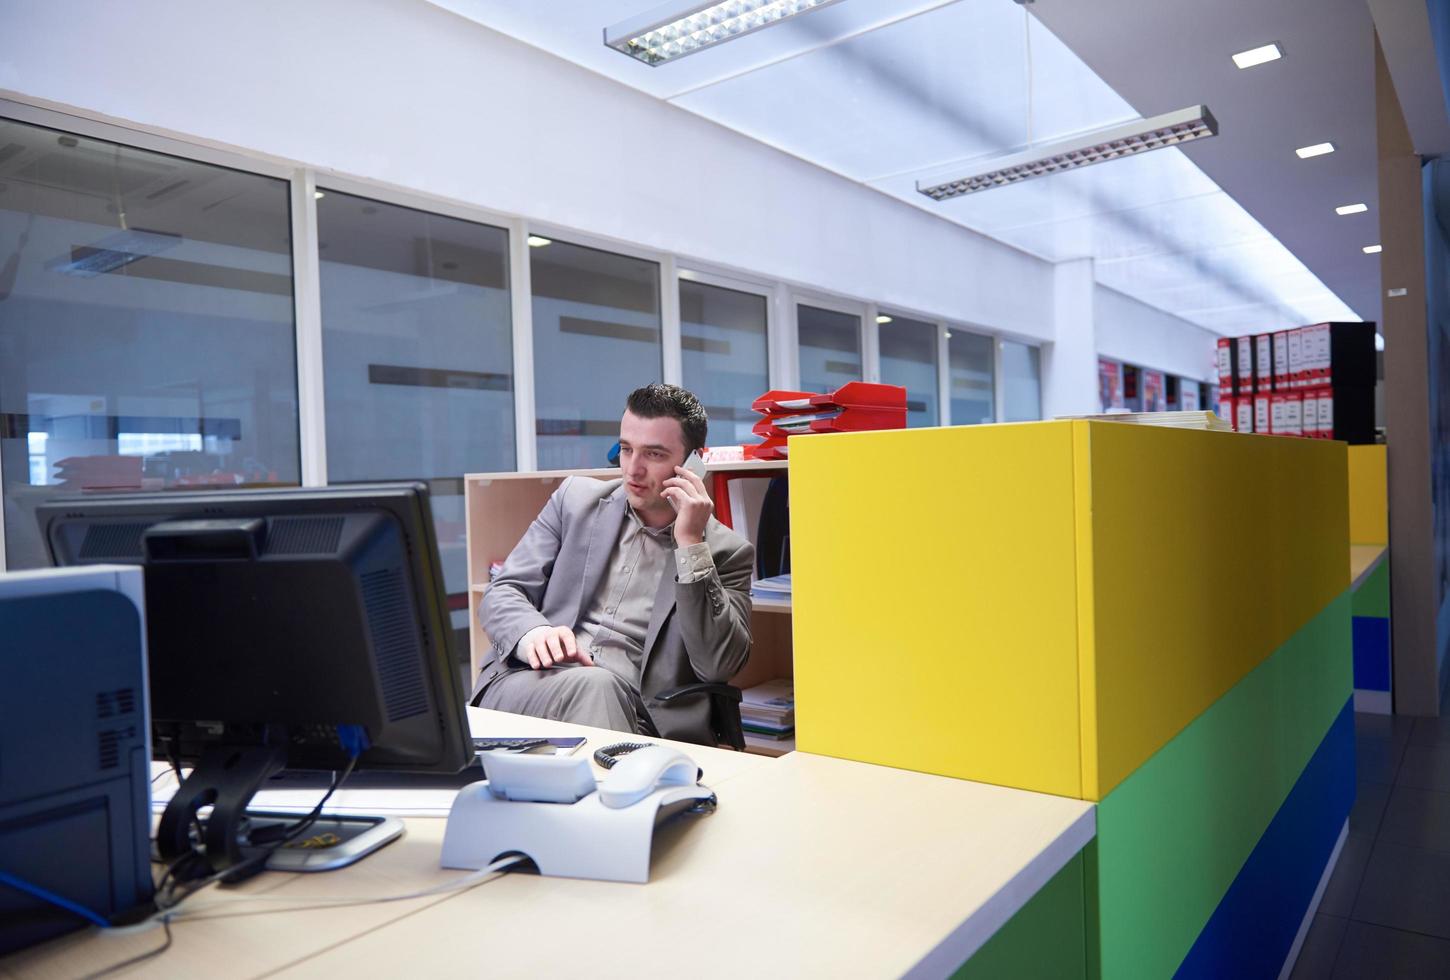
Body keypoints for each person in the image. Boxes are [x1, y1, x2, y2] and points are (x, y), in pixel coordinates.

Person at [472, 384, 754, 744]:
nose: (633, 469)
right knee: (595, 687)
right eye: (625, 449)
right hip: (533, 683)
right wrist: (533, 634)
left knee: (599, 689)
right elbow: (504, 590)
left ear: (693, 464)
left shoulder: (726, 552)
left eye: (653, 454)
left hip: (642, 716)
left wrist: (690, 545)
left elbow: (719, 665)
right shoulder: (573, 501)